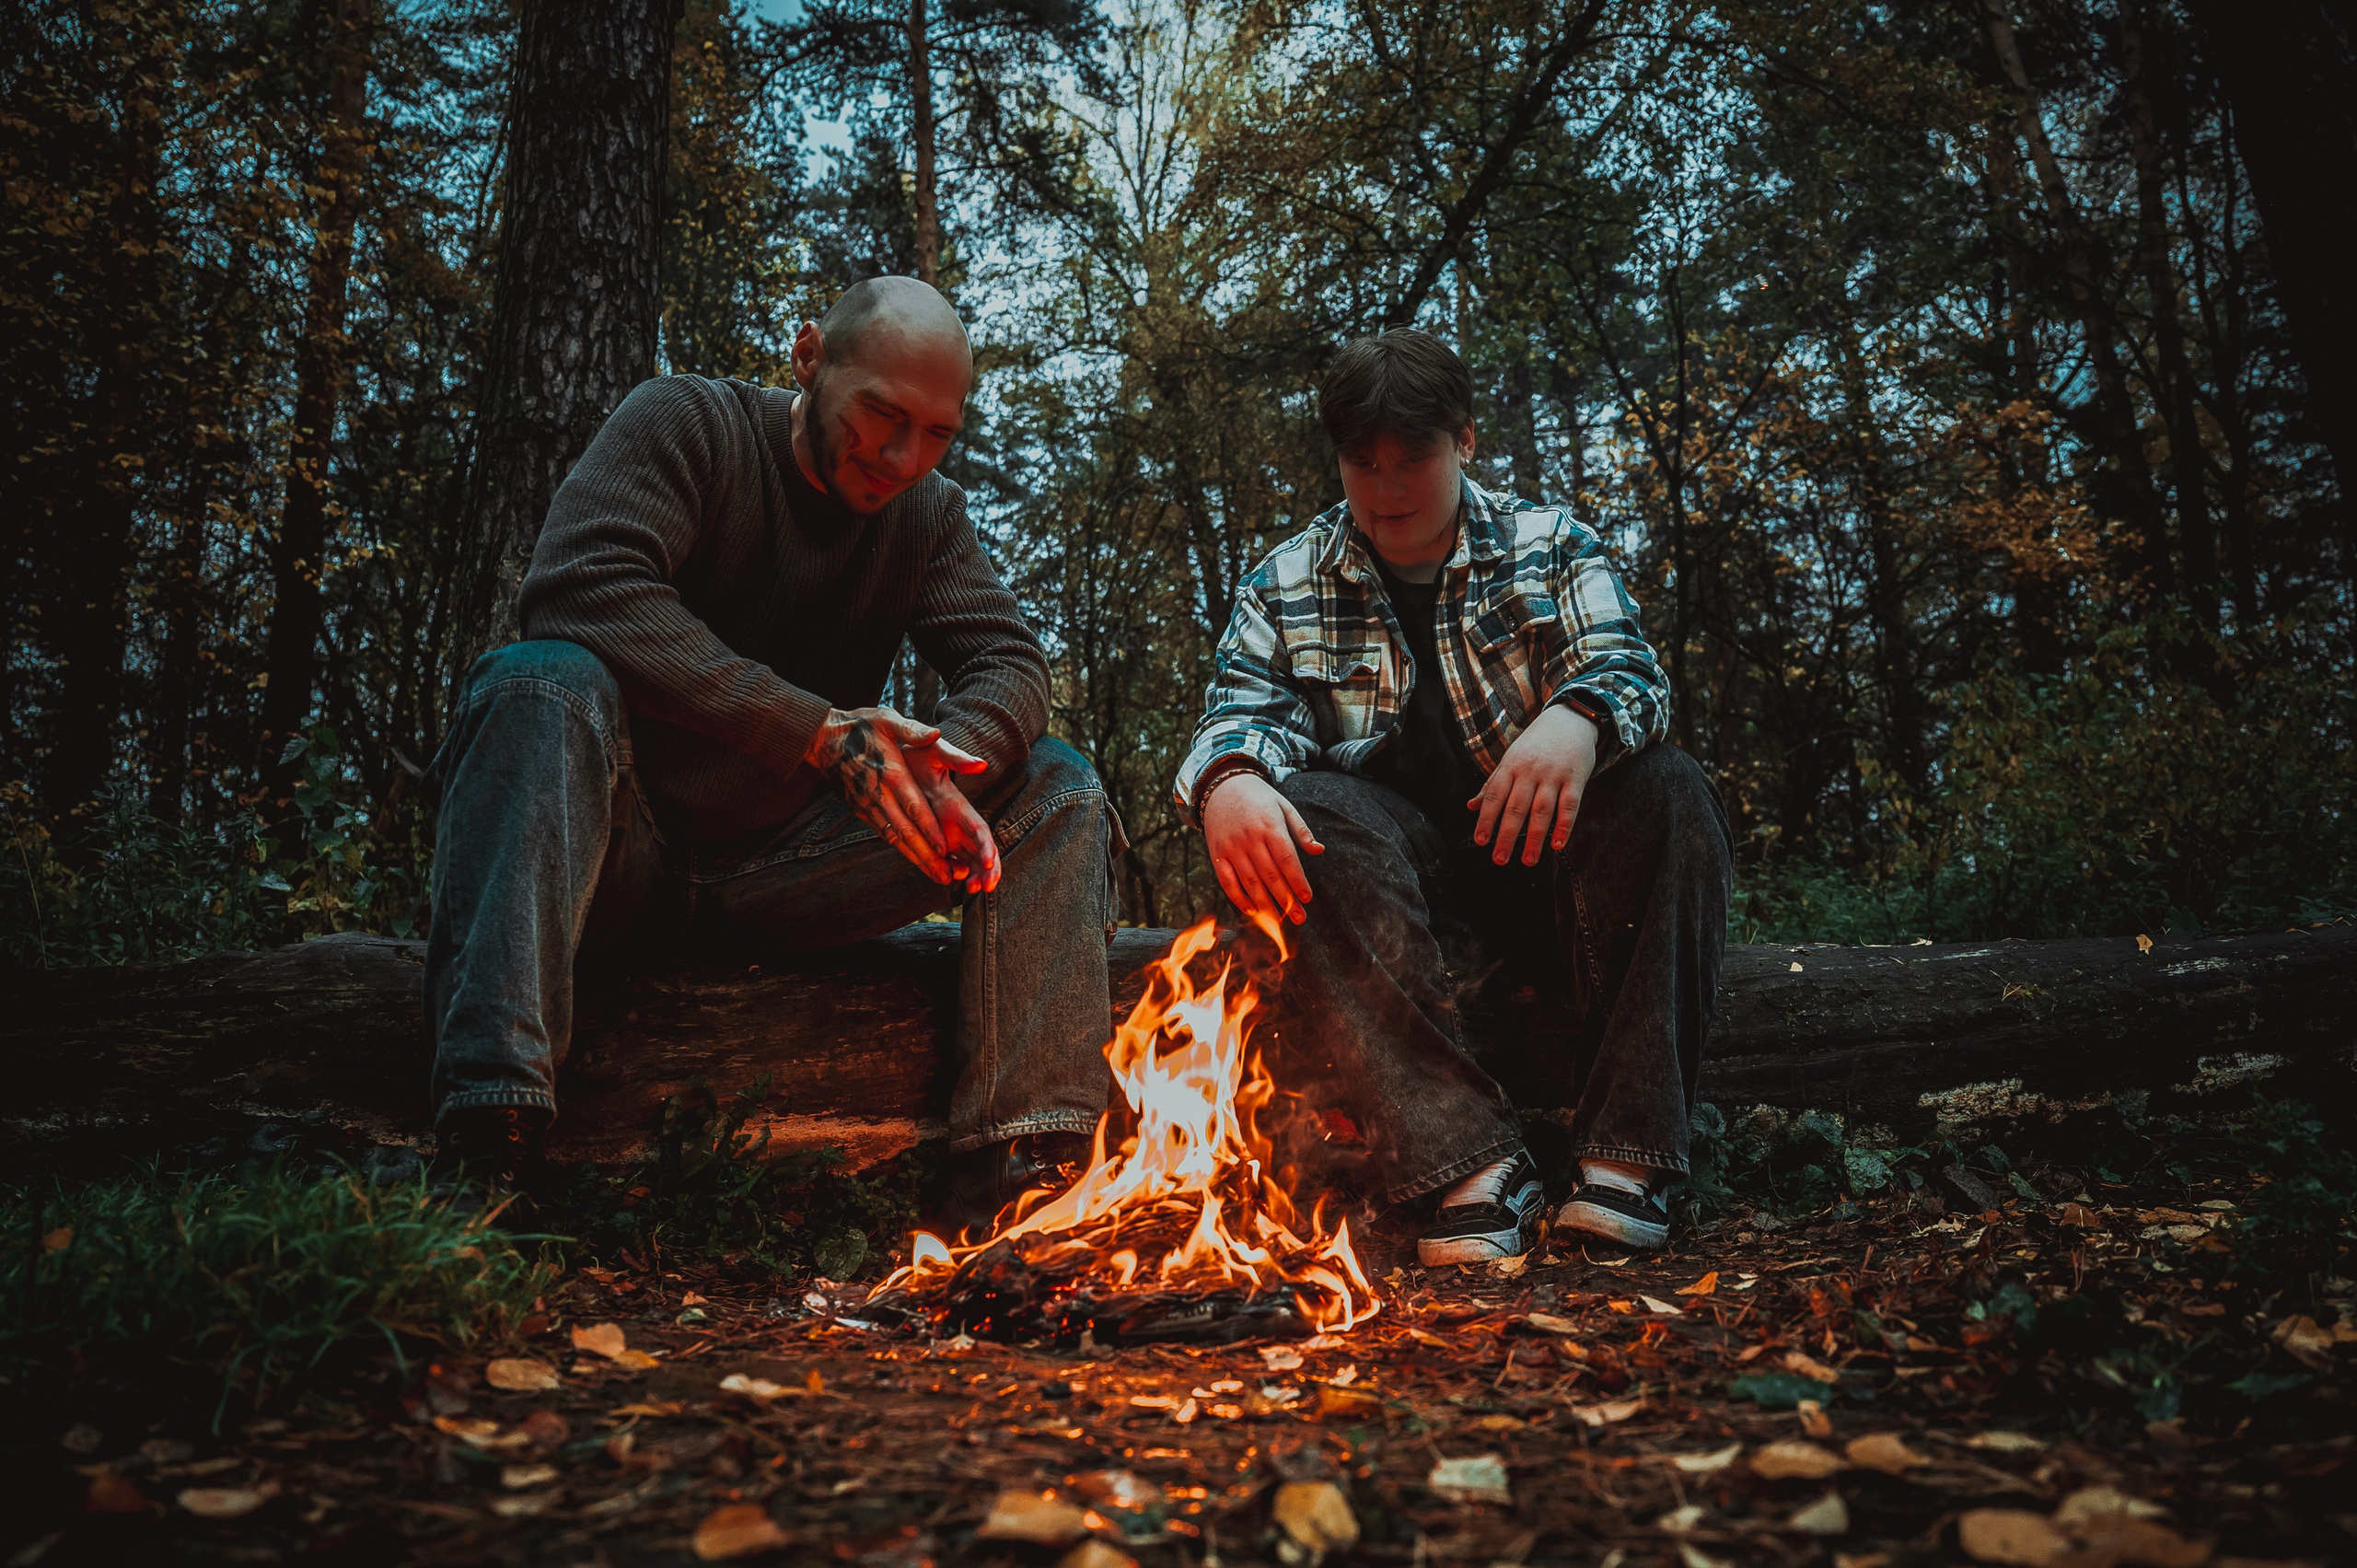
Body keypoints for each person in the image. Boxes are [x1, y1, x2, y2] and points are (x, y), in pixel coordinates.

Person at [425, 277, 1117, 1231]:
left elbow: (1008, 661)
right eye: (882, 415)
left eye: (938, 433)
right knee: (536, 679)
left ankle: (1022, 1177)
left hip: (790, 874)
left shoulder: (927, 518)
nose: (905, 457)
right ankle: (487, 1140)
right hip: (616, 854)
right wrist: (821, 733)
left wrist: (938, 767)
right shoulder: (687, 424)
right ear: (807, 358)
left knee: (1056, 782)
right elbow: (582, 588)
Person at [1175, 329, 1731, 1260]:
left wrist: (1579, 716)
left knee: (1669, 786)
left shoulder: (1550, 544)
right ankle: (1469, 1166)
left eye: (1414, 457)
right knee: (1299, 801)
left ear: (1465, 440)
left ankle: (1627, 1160)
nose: (1388, 487)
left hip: (1558, 894)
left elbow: (1631, 667)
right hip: (1394, 918)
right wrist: (1227, 779)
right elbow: (1237, 715)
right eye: (1363, 462)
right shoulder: (1283, 581)